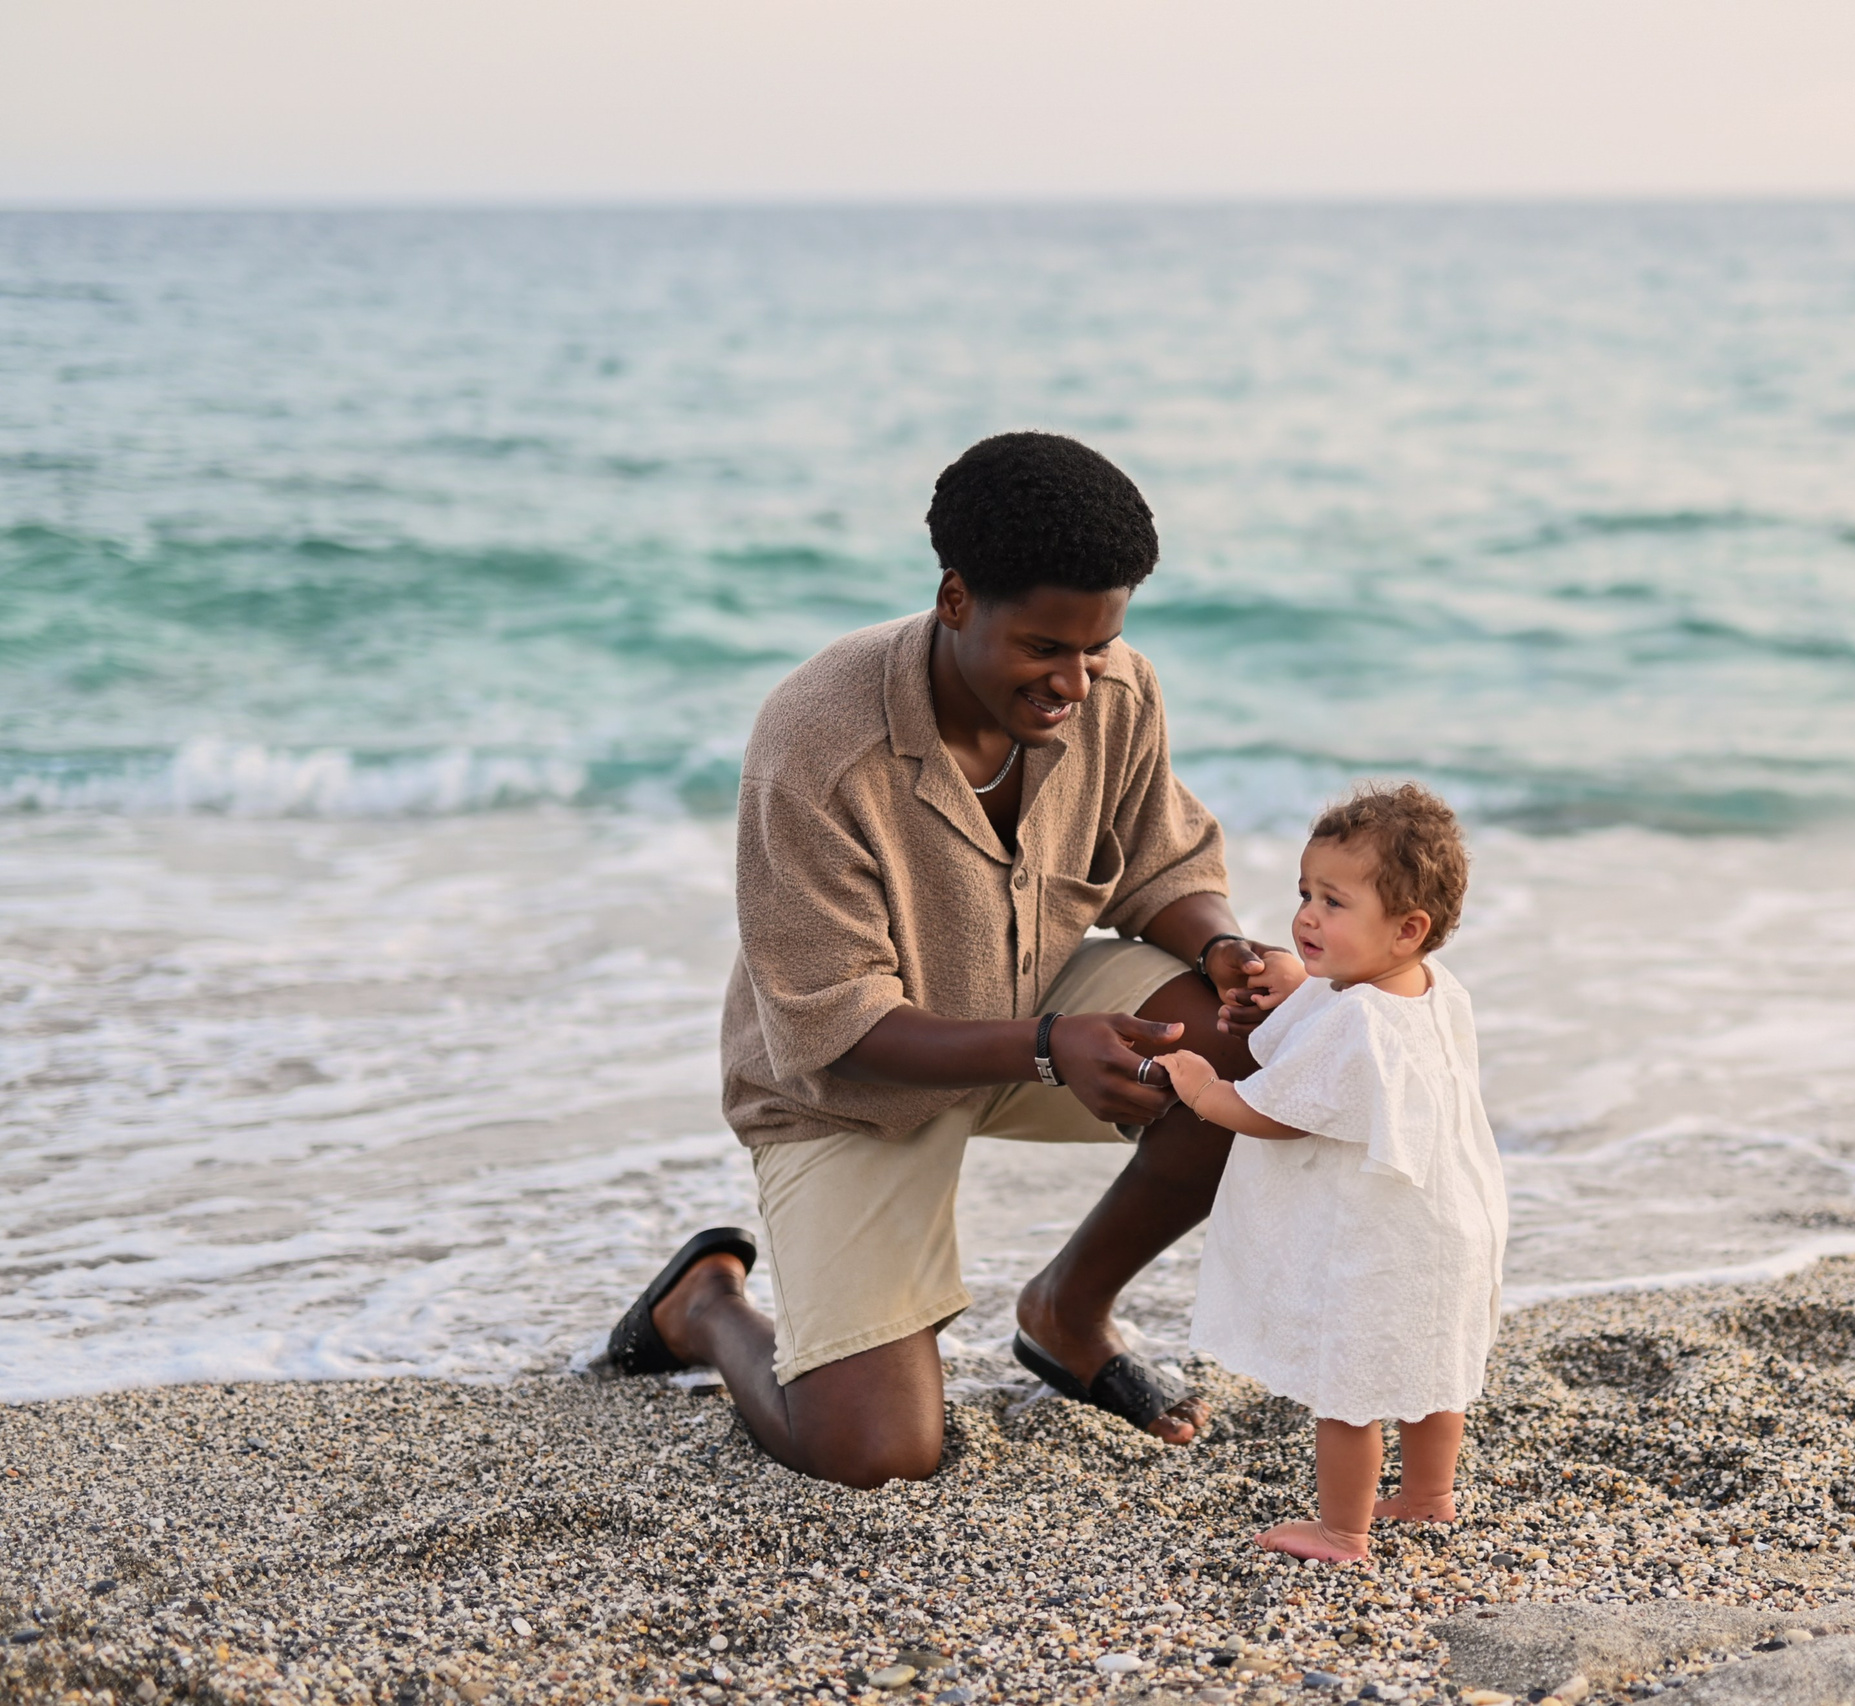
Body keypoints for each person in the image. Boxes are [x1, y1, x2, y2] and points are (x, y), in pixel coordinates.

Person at [601, 431, 1293, 1487]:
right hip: (853, 1084)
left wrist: (1225, 944)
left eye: (1098, 644)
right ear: (957, 598)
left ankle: (1067, 1315)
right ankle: (703, 1306)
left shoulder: (1116, 687)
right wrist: (1052, 1047)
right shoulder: (816, 740)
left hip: (1032, 1013)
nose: (1076, 680)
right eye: (1044, 649)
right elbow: (835, 1022)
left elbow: (1158, 863)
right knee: (874, 1455)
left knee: (1260, 1049)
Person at [1157, 783, 1508, 1562]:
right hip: (1450, 1222)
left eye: (1334, 903)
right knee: (1431, 1368)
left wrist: (1207, 1092)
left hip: (1378, 1243)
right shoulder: (1429, 987)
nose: (1308, 918)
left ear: (1407, 927)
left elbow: (1280, 1112)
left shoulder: (1356, 1019)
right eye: (1305, 895)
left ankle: (1343, 1531)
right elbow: (1345, 1018)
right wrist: (1304, 982)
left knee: (1347, 1388)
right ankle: (1428, 1496)